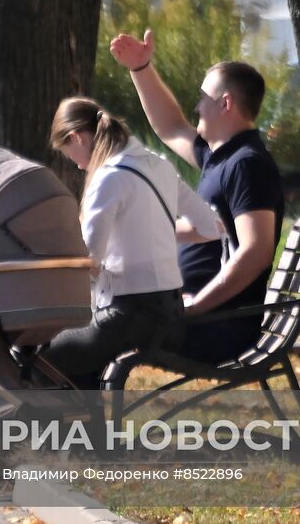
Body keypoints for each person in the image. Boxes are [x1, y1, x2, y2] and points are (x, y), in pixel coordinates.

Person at [110, 31, 285, 364]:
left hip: (213, 327)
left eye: (203, 97)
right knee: (89, 316)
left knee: (91, 330)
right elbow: (170, 126)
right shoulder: (221, 158)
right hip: (189, 313)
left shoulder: (247, 165)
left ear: (226, 103)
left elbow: (255, 252)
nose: (196, 106)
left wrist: (195, 307)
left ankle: (57, 404)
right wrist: (141, 67)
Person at [41, 97, 222, 389]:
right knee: (80, 362)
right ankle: (91, 431)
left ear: (76, 136)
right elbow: (212, 227)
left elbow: (88, 258)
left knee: (40, 358)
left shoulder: (109, 177)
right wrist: (150, 230)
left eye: (68, 152)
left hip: (128, 320)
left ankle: (71, 432)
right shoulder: (158, 164)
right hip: (170, 316)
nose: (74, 163)